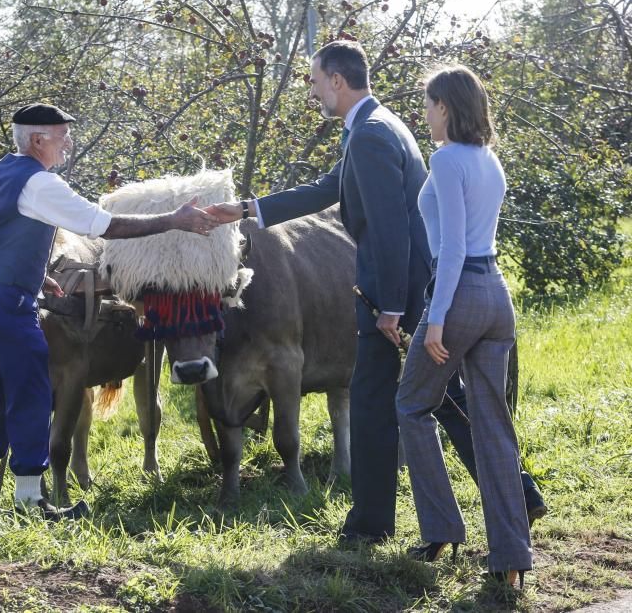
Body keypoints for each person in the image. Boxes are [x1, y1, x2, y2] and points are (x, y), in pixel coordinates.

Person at [204, 41, 543, 544]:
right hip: (409, 288)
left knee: (373, 401)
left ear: (338, 80)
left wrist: (390, 306)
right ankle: (519, 494)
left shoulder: (371, 135)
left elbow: (389, 229)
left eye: (316, 80)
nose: (314, 89)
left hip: (394, 292)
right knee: (441, 400)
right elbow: (327, 189)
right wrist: (248, 210)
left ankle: (370, 525)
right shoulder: (375, 127)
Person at [0, 103, 219, 522]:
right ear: (37, 140)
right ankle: (30, 500)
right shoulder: (40, 183)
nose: (68, 143)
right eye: (60, 135)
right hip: (8, 305)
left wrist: (37, 276)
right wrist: (174, 220)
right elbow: (105, 225)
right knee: (33, 392)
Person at [395, 65, 531, 586]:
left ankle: (442, 529)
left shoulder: (447, 158)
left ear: (445, 107)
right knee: (494, 427)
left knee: (412, 403)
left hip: (461, 295)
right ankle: (512, 563)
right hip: (497, 294)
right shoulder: (488, 160)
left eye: (429, 104)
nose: (425, 114)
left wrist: (434, 318)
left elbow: (451, 246)